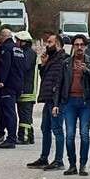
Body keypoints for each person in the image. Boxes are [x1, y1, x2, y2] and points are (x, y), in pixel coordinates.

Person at [58, 34, 90, 176]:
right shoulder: (66, 63)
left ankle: (83, 165)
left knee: (84, 134)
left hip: (86, 102)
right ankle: (72, 164)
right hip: (70, 101)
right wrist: (56, 103)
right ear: (73, 46)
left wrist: (86, 71)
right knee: (70, 134)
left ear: (86, 46)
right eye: (76, 45)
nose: (79, 47)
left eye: (82, 45)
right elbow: (59, 84)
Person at [26, 34, 67, 169]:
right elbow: (46, 78)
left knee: (57, 129)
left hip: (57, 101)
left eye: (50, 42)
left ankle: (59, 160)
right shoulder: (52, 59)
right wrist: (43, 64)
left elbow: (61, 82)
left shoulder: (63, 60)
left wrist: (57, 102)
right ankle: (44, 158)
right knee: (45, 128)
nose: (47, 45)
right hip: (49, 99)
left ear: (57, 44)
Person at [0, 28, 25, 149]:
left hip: (9, 85)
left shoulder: (6, 49)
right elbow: (22, 67)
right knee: (10, 111)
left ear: (2, 37)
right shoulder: (19, 49)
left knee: (9, 112)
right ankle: (12, 137)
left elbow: (5, 66)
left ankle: (11, 139)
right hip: (18, 84)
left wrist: (1, 80)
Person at [14, 31, 38, 145]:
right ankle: (30, 136)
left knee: (24, 114)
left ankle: (24, 137)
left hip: (27, 90)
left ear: (23, 41)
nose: (16, 43)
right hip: (26, 88)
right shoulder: (28, 52)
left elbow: (25, 66)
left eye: (17, 41)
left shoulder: (29, 53)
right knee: (25, 114)